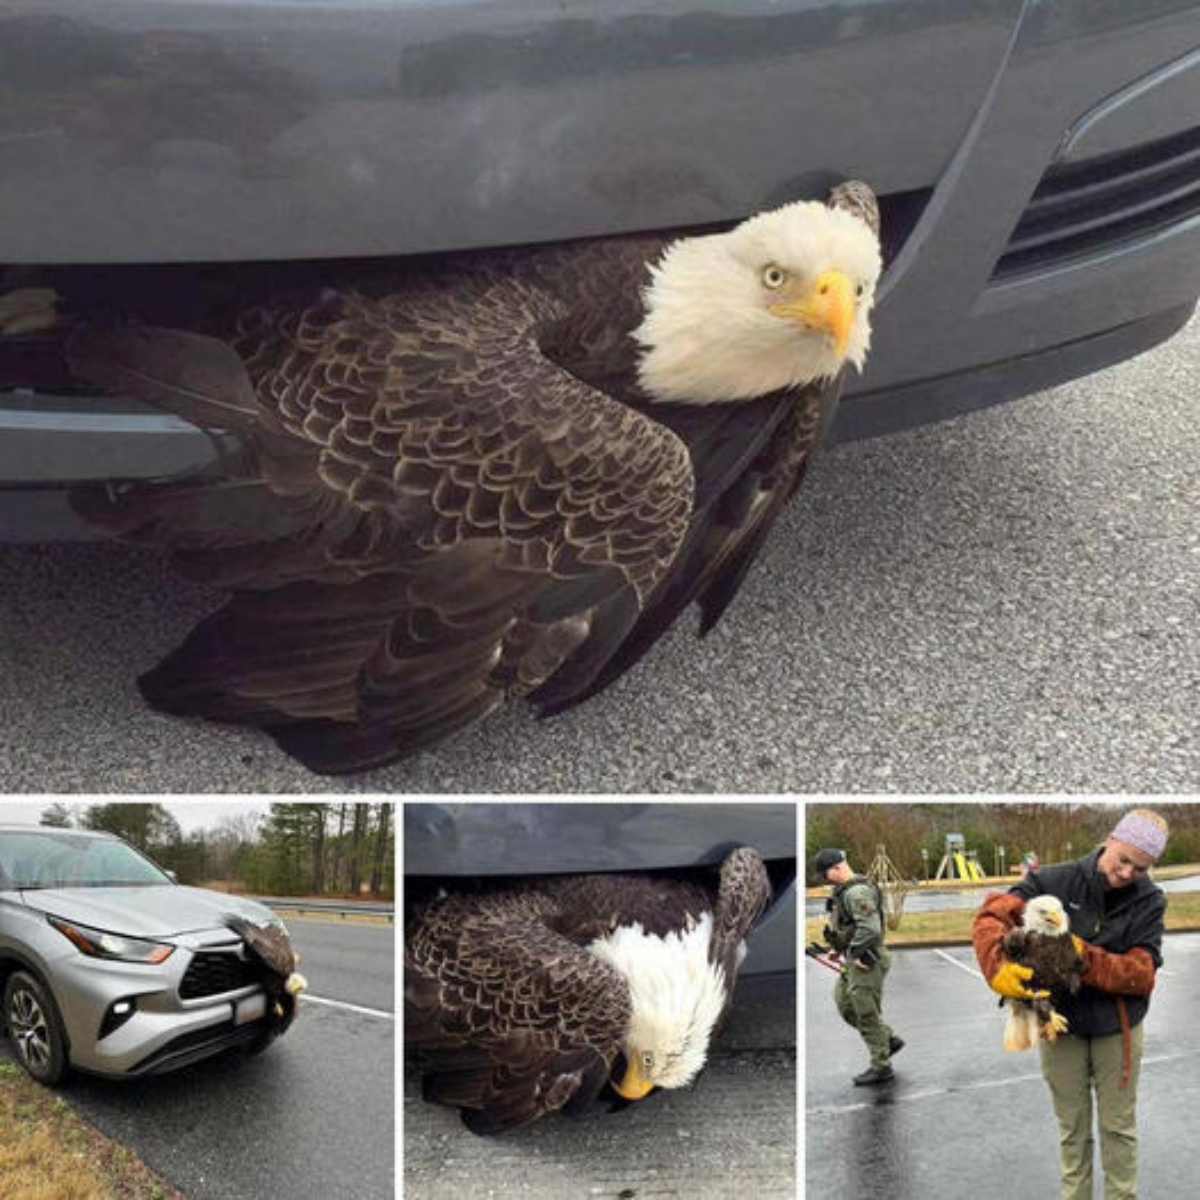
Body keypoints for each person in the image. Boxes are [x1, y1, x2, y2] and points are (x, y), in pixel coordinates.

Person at [972, 809, 1168, 1200]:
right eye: (1123, 859)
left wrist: (1079, 956)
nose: (1128, 872)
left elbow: (1141, 973)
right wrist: (995, 966)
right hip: (1059, 1025)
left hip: (1119, 1030)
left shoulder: (1150, 901)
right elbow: (993, 913)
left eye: (1141, 868)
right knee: (1072, 1132)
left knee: (1118, 1129)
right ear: (1110, 840)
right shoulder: (1053, 880)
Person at [813, 847, 903, 1085]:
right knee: (844, 1002)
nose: (824, 880)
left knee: (865, 1011)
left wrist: (854, 952)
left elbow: (870, 929)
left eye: (825, 874)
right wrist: (838, 948)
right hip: (854, 958)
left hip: (867, 960)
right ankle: (887, 1039)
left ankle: (881, 1065)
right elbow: (847, 925)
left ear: (837, 868)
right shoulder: (843, 892)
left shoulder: (857, 892)